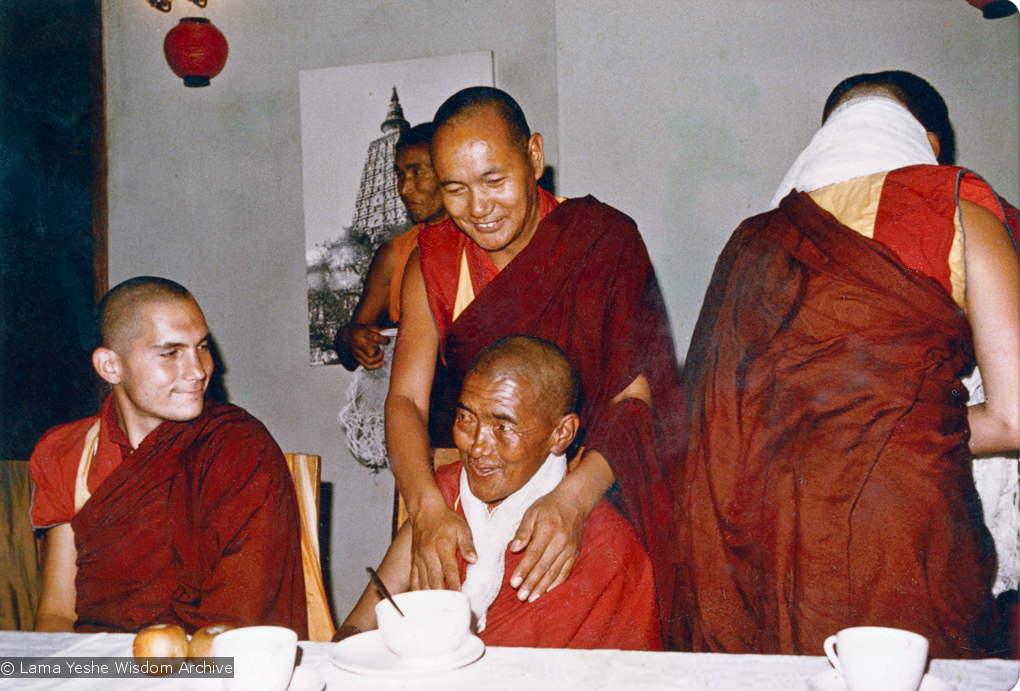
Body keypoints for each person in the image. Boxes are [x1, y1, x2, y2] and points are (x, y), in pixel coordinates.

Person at [672, 71, 1018, 658]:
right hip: (901, 522)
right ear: (929, 144)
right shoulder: (960, 212)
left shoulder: (753, 241)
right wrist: (894, 424)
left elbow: (710, 420)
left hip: (770, 526)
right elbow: (1013, 418)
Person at [385, 87, 683, 637]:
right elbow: (404, 398)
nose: (478, 209)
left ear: (535, 157)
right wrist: (425, 508)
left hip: (594, 491)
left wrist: (571, 500)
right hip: (473, 492)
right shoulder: (437, 258)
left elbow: (638, 395)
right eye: (455, 189)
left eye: (494, 181)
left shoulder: (603, 242)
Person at [342, 336, 661, 649]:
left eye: (503, 427)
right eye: (465, 418)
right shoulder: (444, 496)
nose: (476, 447)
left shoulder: (606, 546)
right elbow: (355, 629)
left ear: (561, 434)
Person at [30, 277, 307, 636]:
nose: (198, 371)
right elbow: (57, 613)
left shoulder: (237, 448)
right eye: (171, 352)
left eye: (202, 347)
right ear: (110, 366)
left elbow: (237, 623)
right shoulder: (67, 451)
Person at [333, 122, 448, 371]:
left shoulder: (486, 239)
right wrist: (348, 337)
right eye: (399, 175)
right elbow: (349, 353)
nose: (404, 189)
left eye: (417, 172)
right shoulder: (394, 255)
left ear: (448, 171)